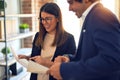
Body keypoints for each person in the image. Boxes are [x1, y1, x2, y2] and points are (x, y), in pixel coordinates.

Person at [49, 0, 120, 80]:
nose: (69, 9)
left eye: (71, 3)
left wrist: (65, 70)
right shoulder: (91, 16)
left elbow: (112, 59)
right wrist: (69, 59)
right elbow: (91, 55)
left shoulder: (101, 16)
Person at [18, 2, 76, 80]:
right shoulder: (38, 36)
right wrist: (27, 58)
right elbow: (35, 57)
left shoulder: (69, 39)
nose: (44, 22)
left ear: (58, 18)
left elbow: (70, 69)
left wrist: (46, 62)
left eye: (48, 19)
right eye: (42, 19)